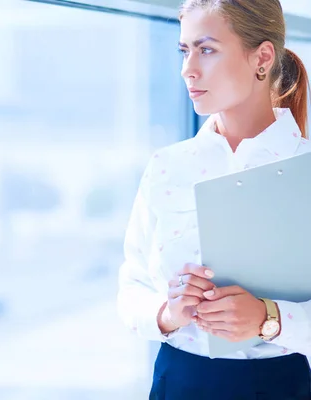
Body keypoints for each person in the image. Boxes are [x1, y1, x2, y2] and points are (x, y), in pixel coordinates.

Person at [117, 1, 311, 399]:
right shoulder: (166, 167)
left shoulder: (305, 168)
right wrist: (167, 314)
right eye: (184, 50)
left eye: (206, 49)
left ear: (262, 57)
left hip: (281, 385)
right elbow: (132, 285)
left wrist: (269, 318)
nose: (188, 68)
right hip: (178, 380)